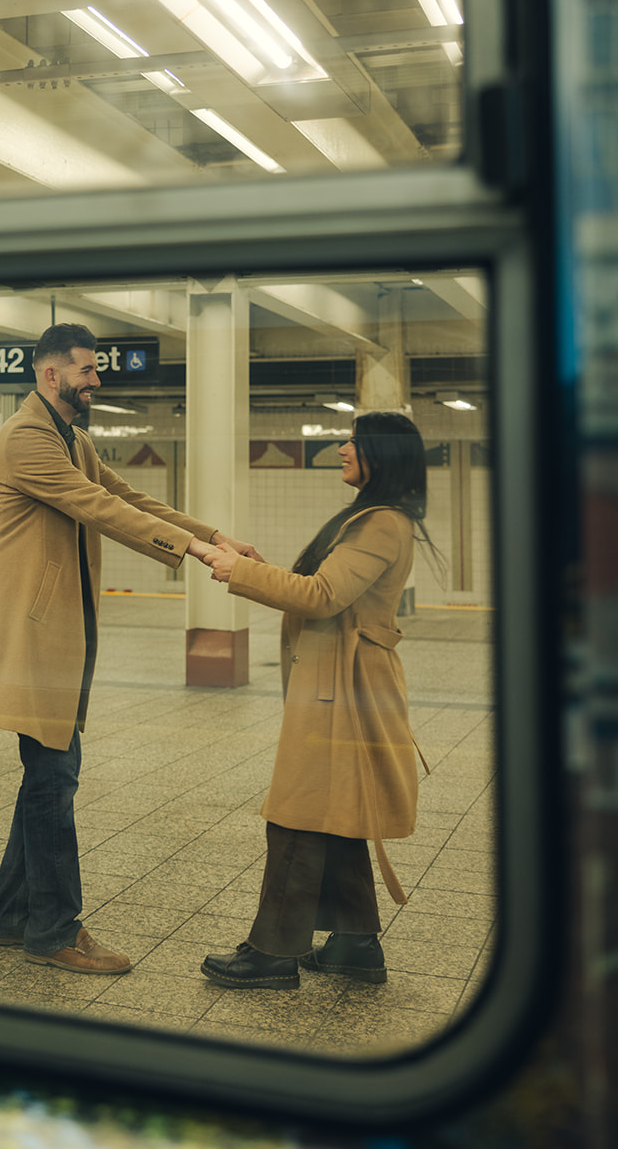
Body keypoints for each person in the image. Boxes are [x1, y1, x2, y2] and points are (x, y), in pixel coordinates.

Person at [0, 323, 258, 975]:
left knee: (46, 776)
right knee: (53, 779)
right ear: (50, 376)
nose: (97, 380)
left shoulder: (73, 438)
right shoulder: (23, 439)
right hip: (32, 639)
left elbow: (128, 496)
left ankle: (9, 918)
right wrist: (194, 552)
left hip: (62, 635)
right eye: (86, 370)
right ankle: (53, 931)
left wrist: (213, 535)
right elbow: (97, 508)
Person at [199, 410, 434, 991]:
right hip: (339, 686)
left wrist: (238, 574)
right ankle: (354, 945)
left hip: (345, 692)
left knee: (297, 816)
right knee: (337, 812)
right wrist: (260, 570)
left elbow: (324, 595)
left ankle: (273, 952)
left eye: (353, 442)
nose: (341, 449)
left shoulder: (381, 523)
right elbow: (324, 590)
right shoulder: (374, 518)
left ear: (380, 453)